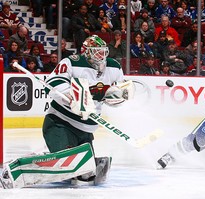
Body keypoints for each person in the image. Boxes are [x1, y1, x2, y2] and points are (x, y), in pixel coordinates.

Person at [0, 35, 135, 189]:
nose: (101, 55)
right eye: (96, 52)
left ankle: (76, 163)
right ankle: (19, 169)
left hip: (86, 129)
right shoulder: (71, 62)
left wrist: (115, 98)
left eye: (103, 51)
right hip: (60, 123)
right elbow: (52, 84)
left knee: (84, 172)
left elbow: (119, 93)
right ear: (86, 51)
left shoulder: (114, 67)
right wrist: (71, 96)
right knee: (67, 162)